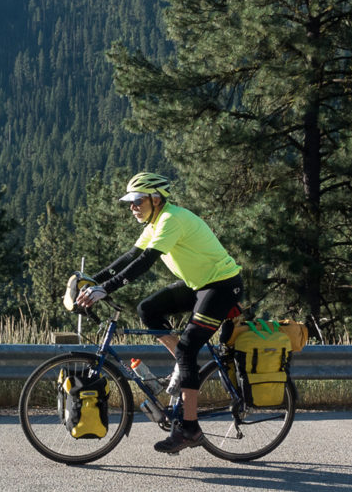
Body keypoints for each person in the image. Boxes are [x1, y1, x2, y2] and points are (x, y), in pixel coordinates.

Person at [76, 172, 243, 453]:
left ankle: (190, 429)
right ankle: (183, 363)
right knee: (147, 309)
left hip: (223, 286)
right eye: (130, 202)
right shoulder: (155, 221)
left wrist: (106, 289)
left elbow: (145, 262)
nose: (132, 207)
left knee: (189, 348)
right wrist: (93, 280)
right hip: (199, 285)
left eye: (138, 201)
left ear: (156, 199)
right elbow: (129, 256)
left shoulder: (170, 219)